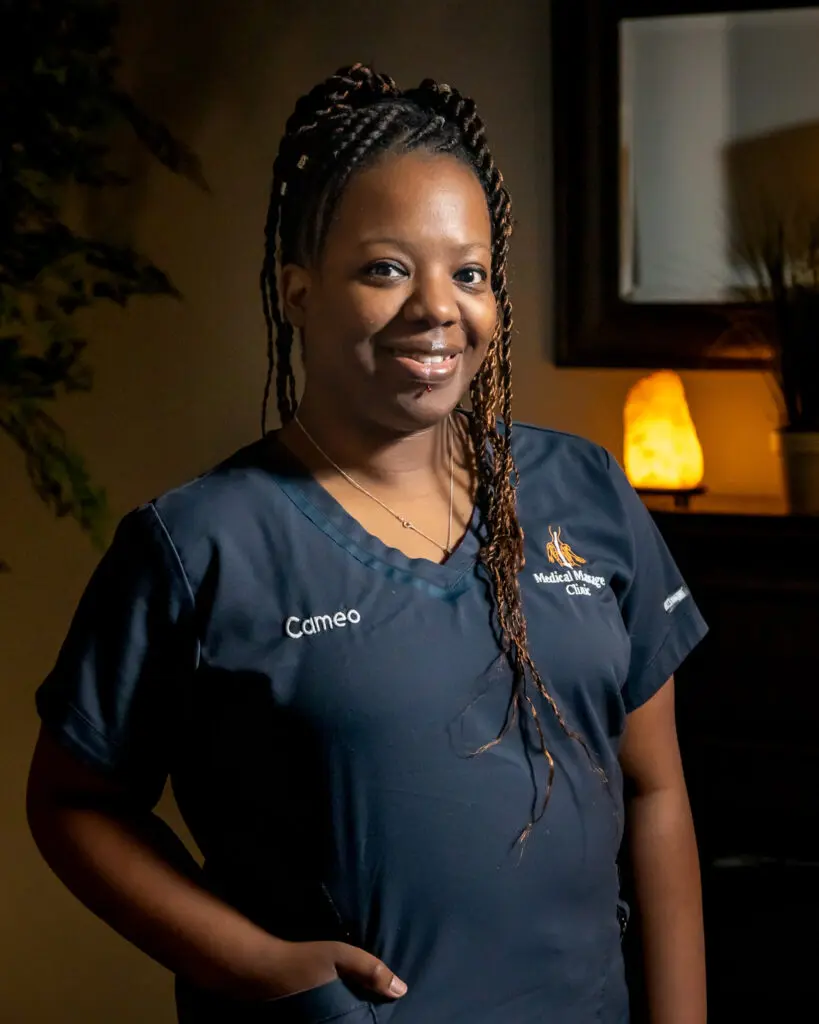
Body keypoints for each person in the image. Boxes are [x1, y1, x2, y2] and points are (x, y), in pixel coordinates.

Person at [26, 64, 708, 1024]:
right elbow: (72, 806)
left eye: (468, 272)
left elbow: (656, 791)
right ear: (296, 292)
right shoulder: (201, 545)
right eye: (386, 267)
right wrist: (255, 965)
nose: (438, 307)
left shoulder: (582, 490)